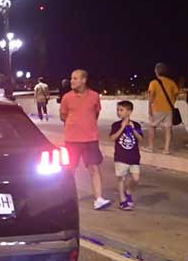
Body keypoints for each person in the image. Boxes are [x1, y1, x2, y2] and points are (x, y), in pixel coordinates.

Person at [59, 69, 111, 210]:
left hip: (90, 140)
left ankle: (98, 199)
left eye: (75, 78)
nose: (72, 81)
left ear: (84, 80)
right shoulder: (67, 98)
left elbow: (96, 113)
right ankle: (67, 199)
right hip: (72, 140)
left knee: (94, 168)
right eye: (71, 78)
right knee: (70, 170)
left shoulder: (94, 96)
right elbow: (63, 116)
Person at [109, 100, 142, 210]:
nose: (119, 112)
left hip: (134, 157)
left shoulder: (136, 124)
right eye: (118, 110)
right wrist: (122, 127)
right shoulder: (116, 125)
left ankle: (128, 191)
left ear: (129, 111)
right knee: (121, 178)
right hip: (121, 156)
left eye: (121, 110)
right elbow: (112, 138)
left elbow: (140, 138)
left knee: (136, 178)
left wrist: (133, 129)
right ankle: (123, 201)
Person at [145, 62, 180, 155]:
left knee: (152, 126)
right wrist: (172, 102)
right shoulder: (171, 82)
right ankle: (166, 149)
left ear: (157, 71)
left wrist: (149, 108)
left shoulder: (153, 83)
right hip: (168, 109)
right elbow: (176, 94)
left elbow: (151, 96)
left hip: (157, 108)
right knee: (168, 128)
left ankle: (150, 147)